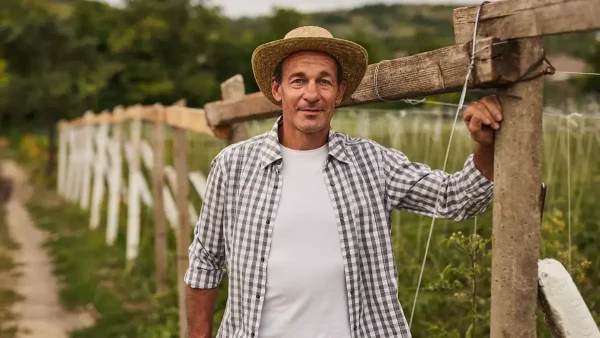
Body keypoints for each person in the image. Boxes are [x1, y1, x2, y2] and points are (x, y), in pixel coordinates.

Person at [184, 26, 502, 338]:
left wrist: (485, 145)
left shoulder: (373, 163)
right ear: (278, 90)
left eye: (324, 81)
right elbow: (205, 259)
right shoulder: (234, 166)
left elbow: (455, 198)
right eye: (298, 81)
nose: (311, 94)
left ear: (338, 91)